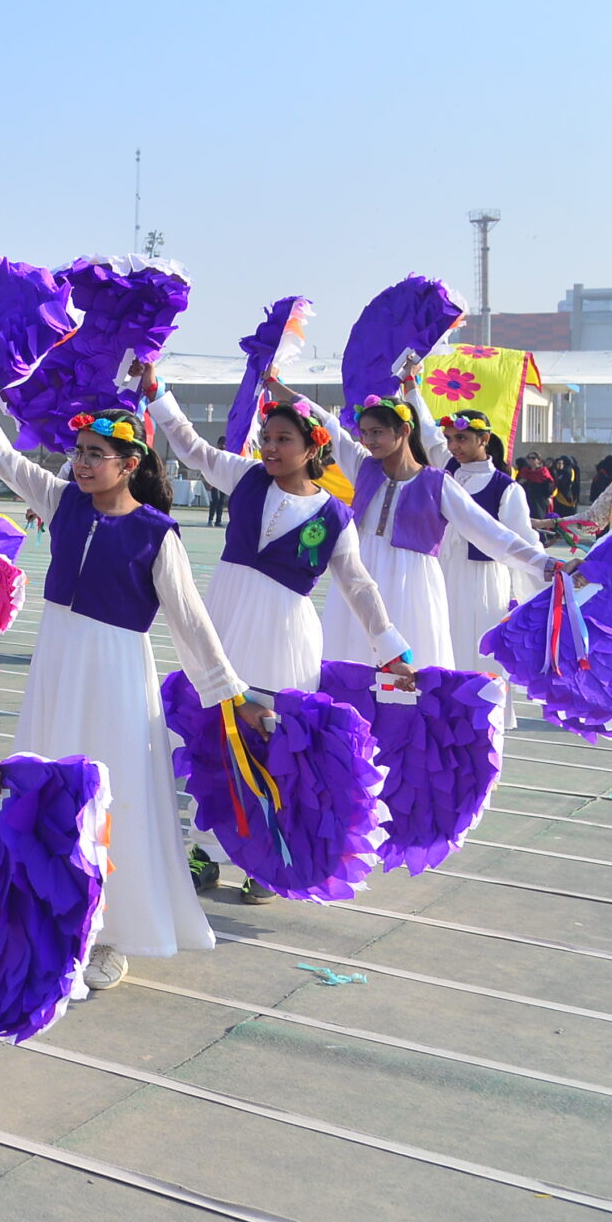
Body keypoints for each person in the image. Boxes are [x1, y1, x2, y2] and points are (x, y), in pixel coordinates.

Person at [0, 390, 259, 985]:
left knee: (113, 798)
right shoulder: (63, 502)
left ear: (129, 465)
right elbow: (5, 460)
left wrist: (231, 693)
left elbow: (191, 623)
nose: (79, 463)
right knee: (47, 784)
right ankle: (49, 920)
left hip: (117, 676)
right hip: (57, 668)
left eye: (94, 454)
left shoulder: (157, 534)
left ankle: (111, 934)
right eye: (77, 451)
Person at [134, 364, 412, 900]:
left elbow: (358, 586)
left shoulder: (335, 516)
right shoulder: (245, 478)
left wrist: (390, 649)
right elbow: (192, 448)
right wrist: (158, 394)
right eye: (267, 437)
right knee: (208, 737)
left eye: (284, 439)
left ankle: (266, 861)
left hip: (285, 637)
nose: (271, 447)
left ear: (312, 447)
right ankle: (204, 850)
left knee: (271, 744)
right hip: (223, 624)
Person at [285, 374, 563, 669]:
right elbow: (329, 425)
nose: (369, 440)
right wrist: (276, 385)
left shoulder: (438, 483)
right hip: (361, 576)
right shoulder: (363, 466)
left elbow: (489, 532)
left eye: (377, 432)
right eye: (365, 433)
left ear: (404, 430)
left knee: (411, 670)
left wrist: (546, 564)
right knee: (352, 659)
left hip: (411, 585)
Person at [437, 409, 547, 680]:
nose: (453, 446)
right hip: (442, 570)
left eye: (461, 438)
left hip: (482, 578)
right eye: (449, 439)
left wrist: (549, 572)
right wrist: (411, 390)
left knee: (478, 644)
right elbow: (427, 435)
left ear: (484, 439)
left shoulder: (506, 488)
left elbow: (523, 540)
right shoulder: (445, 474)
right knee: (442, 637)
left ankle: (481, 702)